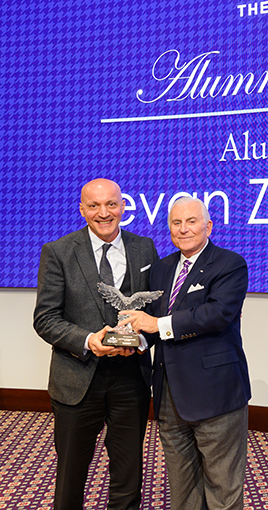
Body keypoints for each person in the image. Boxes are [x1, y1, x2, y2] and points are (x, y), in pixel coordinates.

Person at [33, 178, 158, 510]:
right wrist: (89, 340)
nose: (104, 213)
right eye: (94, 205)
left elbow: (156, 314)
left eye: (112, 204)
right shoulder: (58, 251)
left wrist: (140, 340)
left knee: (129, 476)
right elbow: (45, 318)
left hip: (131, 379)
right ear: (82, 209)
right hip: (77, 379)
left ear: (123, 206)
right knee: (70, 477)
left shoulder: (144, 248)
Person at [126, 196, 250, 510]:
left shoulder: (230, 264)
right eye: (176, 223)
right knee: (182, 490)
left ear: (208, 226)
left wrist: (156, 324)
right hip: (169, 397)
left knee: (223, 489)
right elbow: (151, 323)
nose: (183, 229)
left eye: (191, 221)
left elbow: (216, 314)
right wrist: (133, 340)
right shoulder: (162, 268)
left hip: (215, 394)